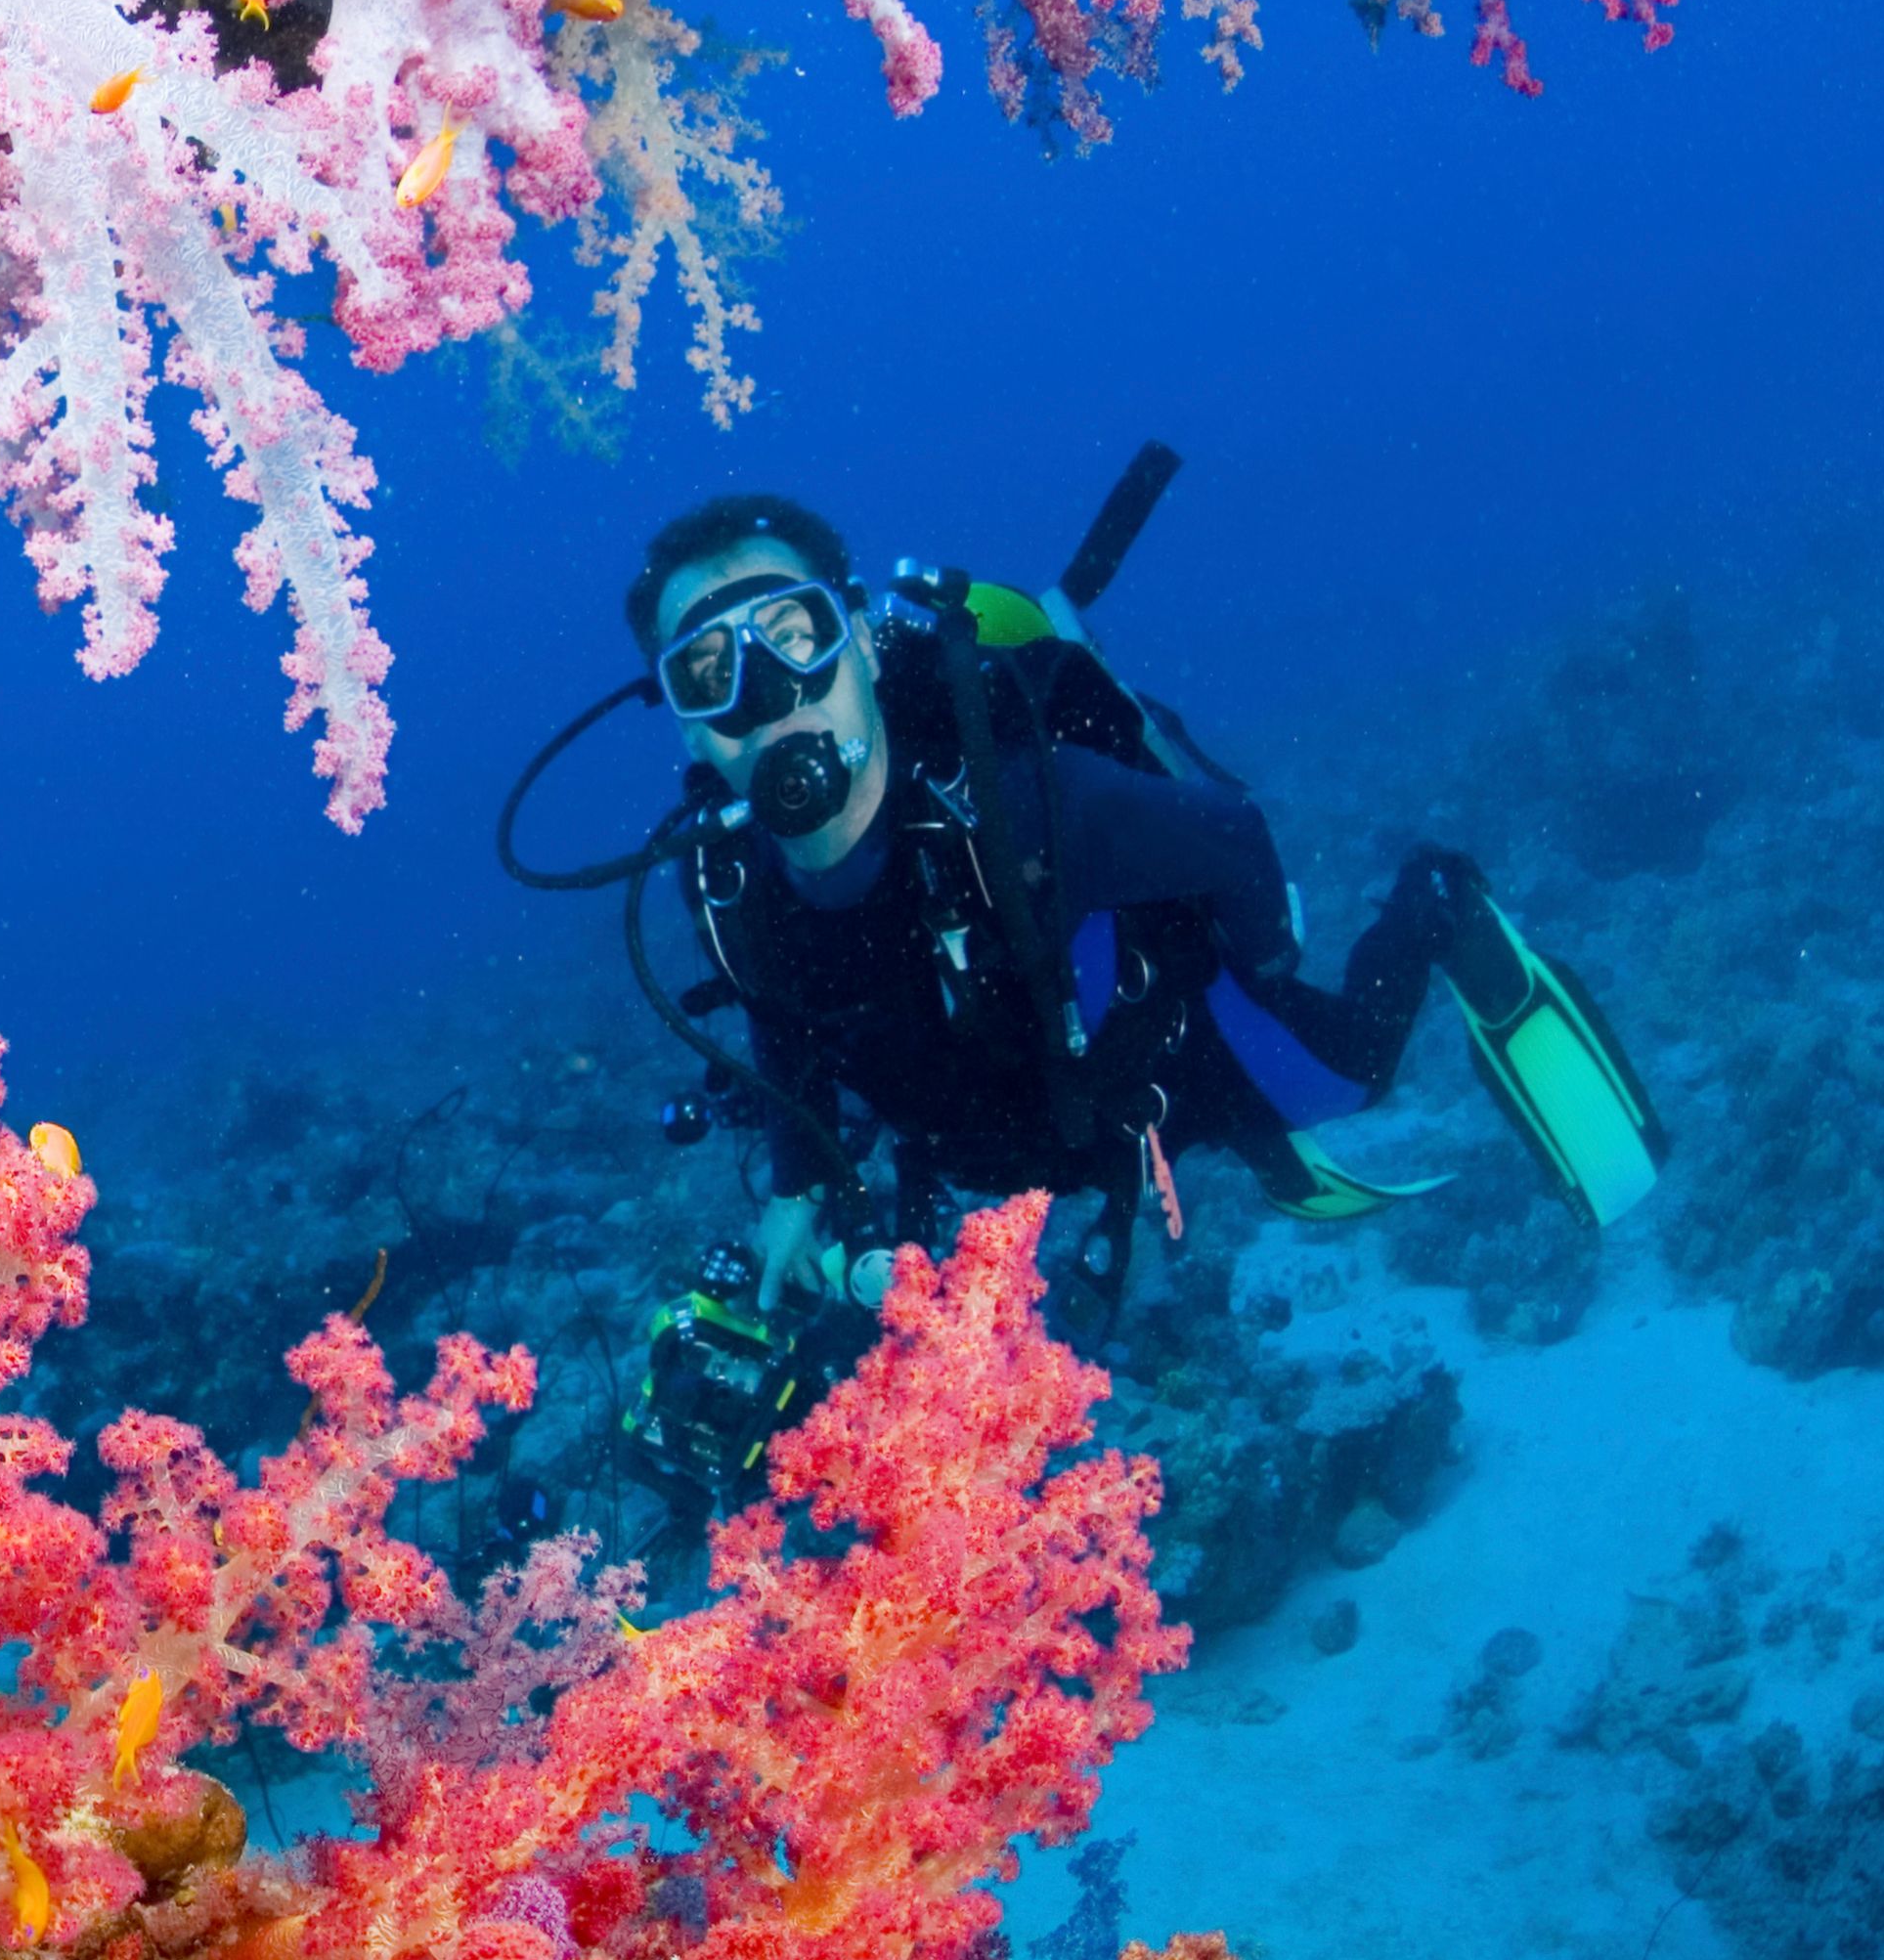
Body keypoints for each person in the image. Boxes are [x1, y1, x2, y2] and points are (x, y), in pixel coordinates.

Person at [620, 491, 1662, 1343]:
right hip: (984, 1128)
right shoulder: (724, 879)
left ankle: (1436, 901)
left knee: (1348, 1077)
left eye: (790, 634)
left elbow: (1231, 837)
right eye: (706, 673)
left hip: (1159, 1060)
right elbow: (779, 1016)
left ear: (857, 635)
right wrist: (798, 1186)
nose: (765, 694)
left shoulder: (1033, 805)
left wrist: (1264, 963)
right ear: (686, 726)